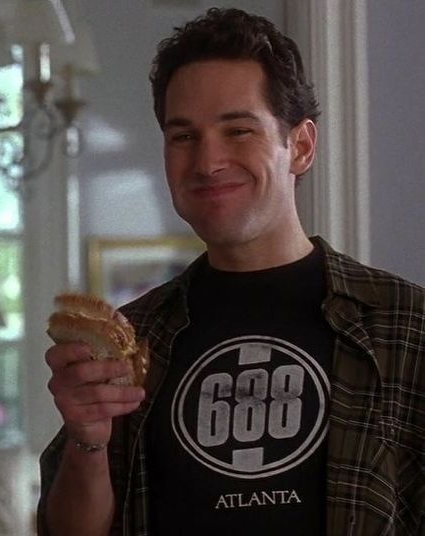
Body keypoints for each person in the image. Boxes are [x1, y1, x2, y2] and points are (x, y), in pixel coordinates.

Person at [38, 7, 424, 536]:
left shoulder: (406, 327)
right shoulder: (135, 337)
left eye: (238, 130)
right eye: (183, 137)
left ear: (301, 146)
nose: (207, 161)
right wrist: (88, 439)